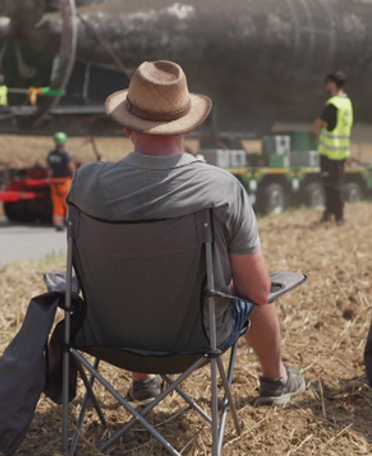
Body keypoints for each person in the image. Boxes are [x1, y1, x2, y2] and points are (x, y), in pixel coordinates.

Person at [69, 60, 308, 407]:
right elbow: (255, 291)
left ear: (126, 127)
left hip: (106, 335)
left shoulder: (85, 183)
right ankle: (276, 380)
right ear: (188, 127)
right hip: (200, 335)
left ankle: (143, 383)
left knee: (134, 275)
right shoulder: (221, 189)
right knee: (257, 289)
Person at [312, 71, 353, 226]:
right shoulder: (347, 103)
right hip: (342, 152)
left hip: (329, 152)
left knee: (331, 186)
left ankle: (338, 216)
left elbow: (317, 126)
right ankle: (330, 214)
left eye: (327, 82)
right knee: (336, 185)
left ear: (333, 84)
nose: (325, 86)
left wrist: (317, 134)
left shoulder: (333, 104)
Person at [46, 131, 74, 230]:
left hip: (54, 181)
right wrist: (75, 175)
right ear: (64, 142)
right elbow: (70, 166)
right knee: (67, 202)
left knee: (57, 202)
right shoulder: (64, 154)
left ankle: (58, 223)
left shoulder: (51, 155)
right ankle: (69, 222)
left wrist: (49, 178)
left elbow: (49, 168)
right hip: (65, 181)